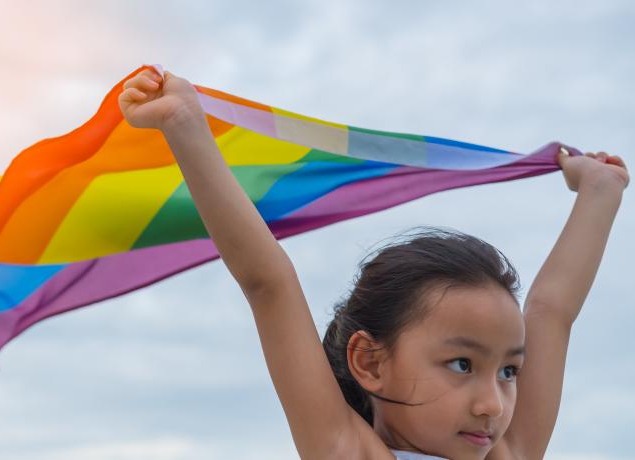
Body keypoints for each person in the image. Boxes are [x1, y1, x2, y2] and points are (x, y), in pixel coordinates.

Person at [117, 68, 629, 460]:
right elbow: (267, 281)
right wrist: (184, 125)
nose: (493, 404)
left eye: (510, 371)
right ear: (370, 363)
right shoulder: (346, 450)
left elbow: (553, 311)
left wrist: (600, 192)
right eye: (462, 365)